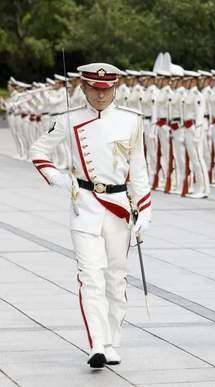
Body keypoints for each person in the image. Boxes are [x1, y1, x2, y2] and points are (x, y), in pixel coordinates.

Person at [29, 63, 151, 368]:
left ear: (115, 88)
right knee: (90, 276)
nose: (100, 95)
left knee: (116, 279)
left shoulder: (131, 121)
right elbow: (38, 152)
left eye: (106, 89)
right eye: (94, 89)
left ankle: (111, 340)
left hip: (119, 206)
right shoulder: (69, 120)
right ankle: (96, 343)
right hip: (84, 204)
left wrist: (145, 211)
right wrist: (59, 179)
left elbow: (138, 169)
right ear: (83, 87)